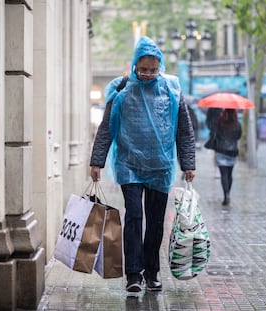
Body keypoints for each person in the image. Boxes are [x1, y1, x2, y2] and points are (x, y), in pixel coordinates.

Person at [89, 36, 196, 293]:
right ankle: (134, 274)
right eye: (143, 69)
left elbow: (184, 129)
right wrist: (97, 161)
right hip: (130, 165)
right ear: (135, 65)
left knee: (156, 221)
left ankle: (152, 272)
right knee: (135, 216)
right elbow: (107, 128)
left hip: (161, 167)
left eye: (153, 69)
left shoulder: (172, 90)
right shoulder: (122, 90)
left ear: (160, 67)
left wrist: (188, 163)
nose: (148, 74)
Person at [212, 109, 242, 205]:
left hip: (221, 151)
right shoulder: (237, 124)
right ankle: (228, 193)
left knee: (223, 174)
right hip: (232, 152)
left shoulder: (219, 123)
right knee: (229, 174)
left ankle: (226, 195)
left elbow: (215, 135)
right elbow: (239, 136)